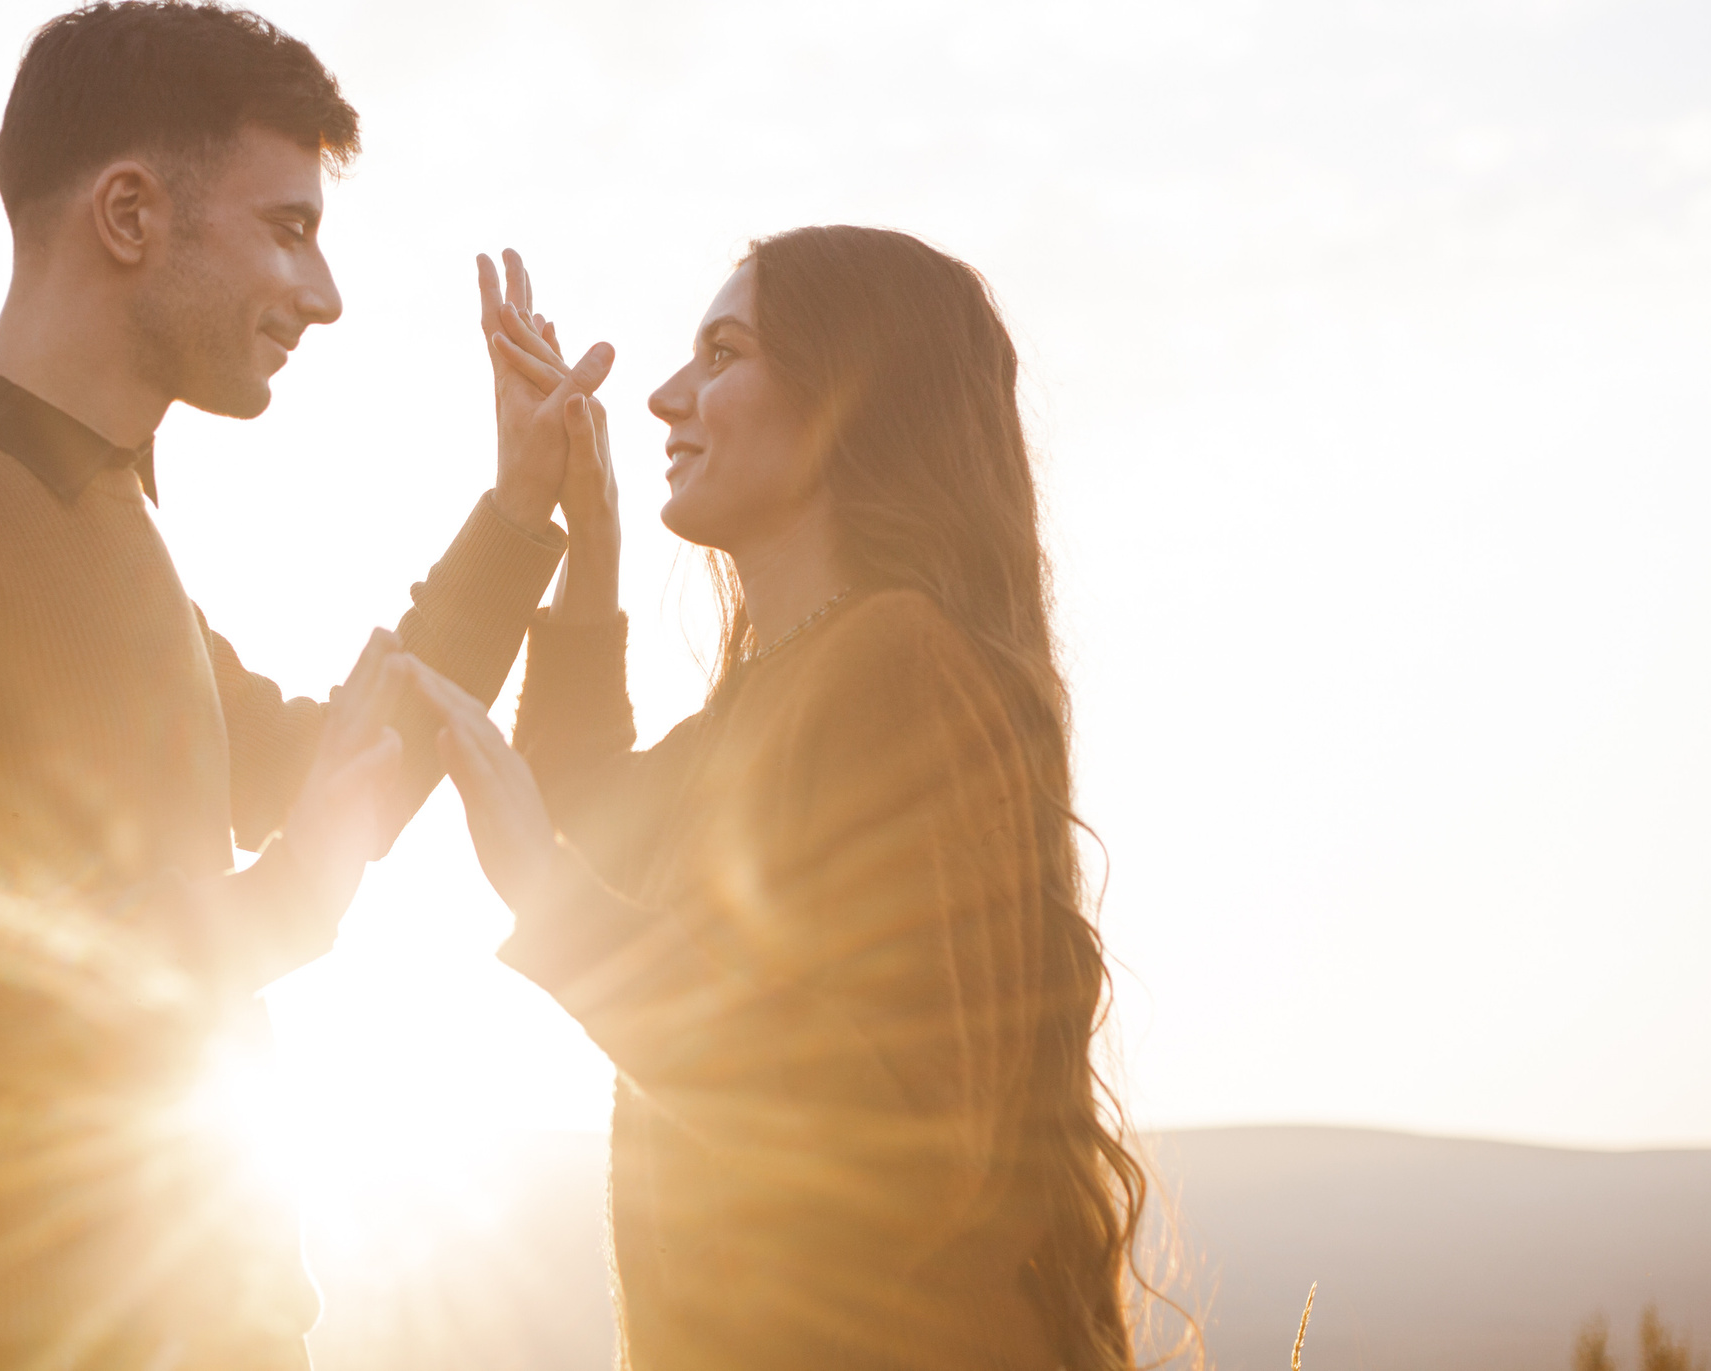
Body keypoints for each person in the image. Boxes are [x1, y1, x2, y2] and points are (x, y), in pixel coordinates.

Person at [0, 0, 609, 1371]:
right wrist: (271, 909)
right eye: (288, 227)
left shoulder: (100, 522)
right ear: (130, 214)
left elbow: (332, 771)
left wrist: (514, 516)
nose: (323, 293)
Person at [403, 224, 1153, 1371]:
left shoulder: (897, 661)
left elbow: (898, 1134)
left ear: (847, 397)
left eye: (722, 354)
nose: (664, 397)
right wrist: (588, 532)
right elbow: (587, 826)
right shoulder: (778, 690)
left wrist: (554, 897)